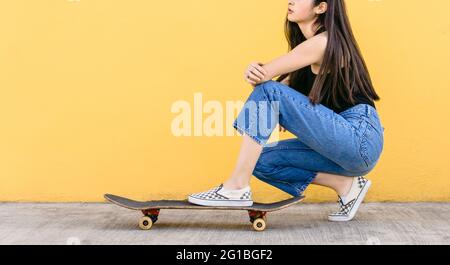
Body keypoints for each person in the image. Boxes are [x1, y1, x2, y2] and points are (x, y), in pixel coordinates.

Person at [188, 0, 385, 222]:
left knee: (269, 91)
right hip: (340, 149)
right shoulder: (305, 57)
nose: (290, 1)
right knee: (261, 161)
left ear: (321, 7)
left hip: (360, 138)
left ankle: (236, 187)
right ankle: (345, 185)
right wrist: (268, 92)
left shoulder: (324, 42)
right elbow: (272, 91)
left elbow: (265, 81)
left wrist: (256, 71)